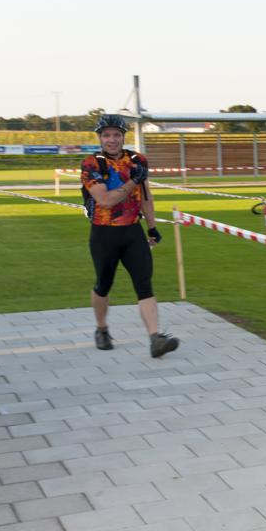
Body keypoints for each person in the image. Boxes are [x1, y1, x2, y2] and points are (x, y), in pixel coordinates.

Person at [81, 114, 179, 359]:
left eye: (116, 135)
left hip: (132, 231)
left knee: (144, 283)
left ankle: (155, 339)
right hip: (104, 233)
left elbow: (145, 195)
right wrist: (133, 180)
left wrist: (152, 227)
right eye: (106, 135)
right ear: (100, 138)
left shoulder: (137, 160)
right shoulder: (92, 164)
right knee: (104, 284)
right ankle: (102, 329)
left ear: (124, 136)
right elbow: (105, 200)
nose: (112, 140)